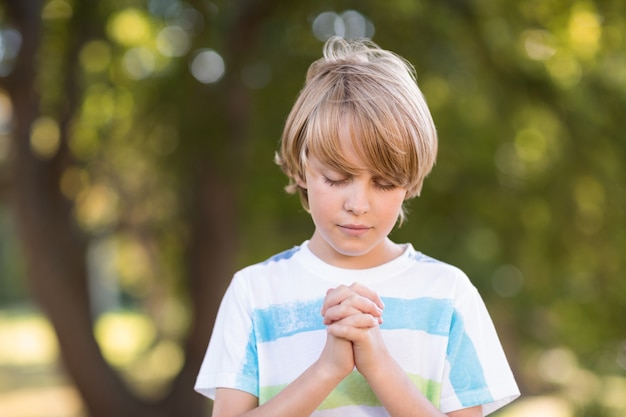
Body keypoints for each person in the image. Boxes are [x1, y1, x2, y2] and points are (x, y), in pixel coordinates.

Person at [195, 36, 520, 417]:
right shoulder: (253, 294)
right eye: (335, 178)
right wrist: (327, 370)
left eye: (383, 183)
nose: (358, 204)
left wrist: (378, 365)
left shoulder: (449, 295)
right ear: (301, 168)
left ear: (410, 182)